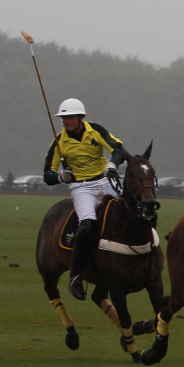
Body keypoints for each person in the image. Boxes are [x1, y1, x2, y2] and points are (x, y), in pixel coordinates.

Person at [42, 98, 126, 301]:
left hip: (105, 180)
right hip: (82, 188)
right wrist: (60, 177)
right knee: (87, 226)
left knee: (136, 206)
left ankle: (149, 250)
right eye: (63, 118)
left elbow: (118, 150)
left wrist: (113, 165)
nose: (66, 121)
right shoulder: (59, 142)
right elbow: (47, 175)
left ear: (80, 117)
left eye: (69, 117)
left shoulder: (95, 130)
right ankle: (76, 276)